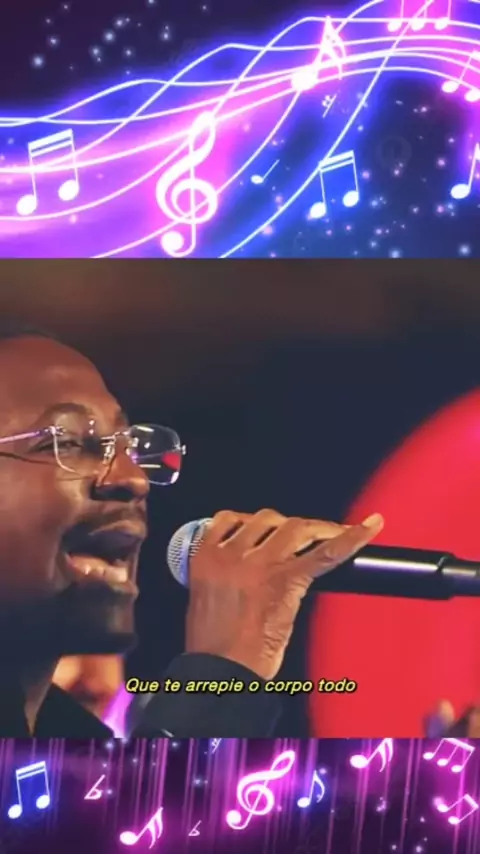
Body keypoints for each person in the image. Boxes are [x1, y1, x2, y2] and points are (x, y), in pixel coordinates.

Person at [0, 322, 384, 737]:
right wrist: (222, 671)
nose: (134, 478)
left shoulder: (77, 743)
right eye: (68, 442)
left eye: (130, 447)